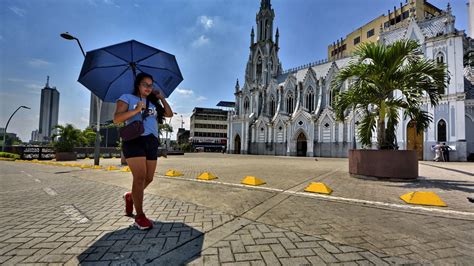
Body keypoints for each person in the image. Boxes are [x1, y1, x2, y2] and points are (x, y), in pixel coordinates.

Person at [113, 72, 173, 230]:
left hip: (151, 140)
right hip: (134, 140)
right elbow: (117, 119)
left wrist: (160, 98)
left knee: (149, 178)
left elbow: (169, 114)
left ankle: (130, 196)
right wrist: (136, 110)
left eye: (150, 85)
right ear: (138, 85)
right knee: (139, 178)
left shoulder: (153, 102)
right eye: (145, 84)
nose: (148, 87)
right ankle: (139, 216)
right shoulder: (126, 97)